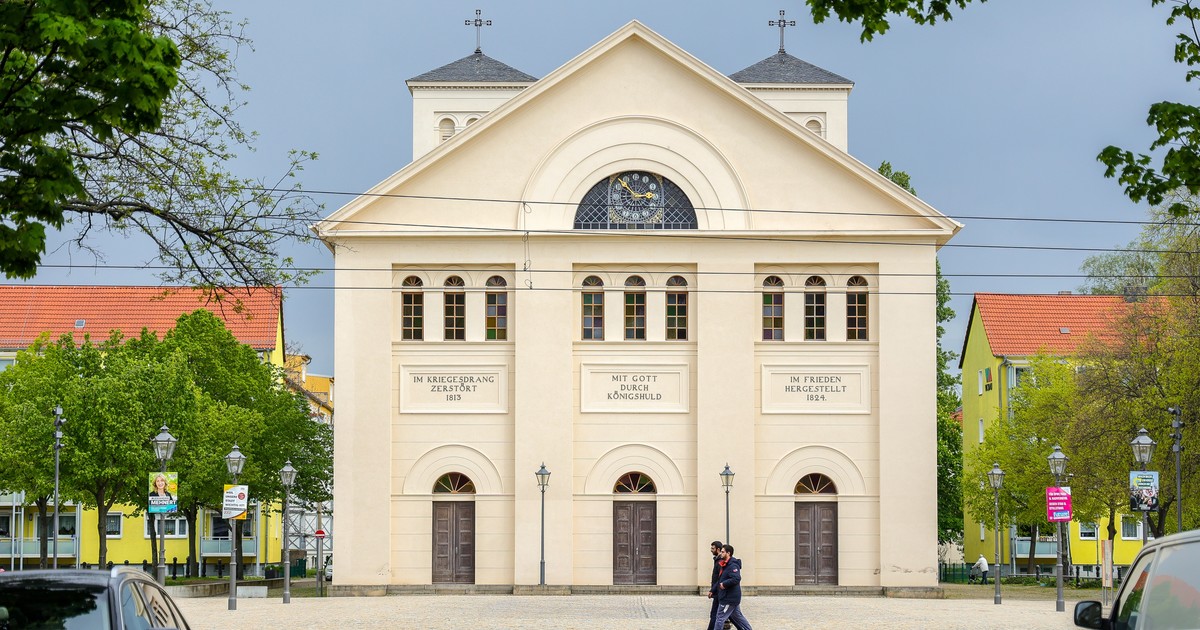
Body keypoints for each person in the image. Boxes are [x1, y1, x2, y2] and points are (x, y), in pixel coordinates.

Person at [713, 544, 752, 630]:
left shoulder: (733, 565)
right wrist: (713, 590)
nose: (721, 554)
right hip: (729, 597)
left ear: (728, 553)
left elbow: (736, 578)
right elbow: (720, 580)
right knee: (738, 617)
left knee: (720, 618)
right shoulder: (725, 565)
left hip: (729, 598)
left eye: (723, 552)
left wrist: (724, 584)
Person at [705, 540, 731, 630]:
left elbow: (720, 578)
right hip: (718, 591)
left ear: (718, 549)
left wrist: (713, 590)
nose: (711, 550)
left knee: (715, 614)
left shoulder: (720, 561)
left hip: (719, 592)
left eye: (713, 548)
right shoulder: (717, 560)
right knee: (731, 615)